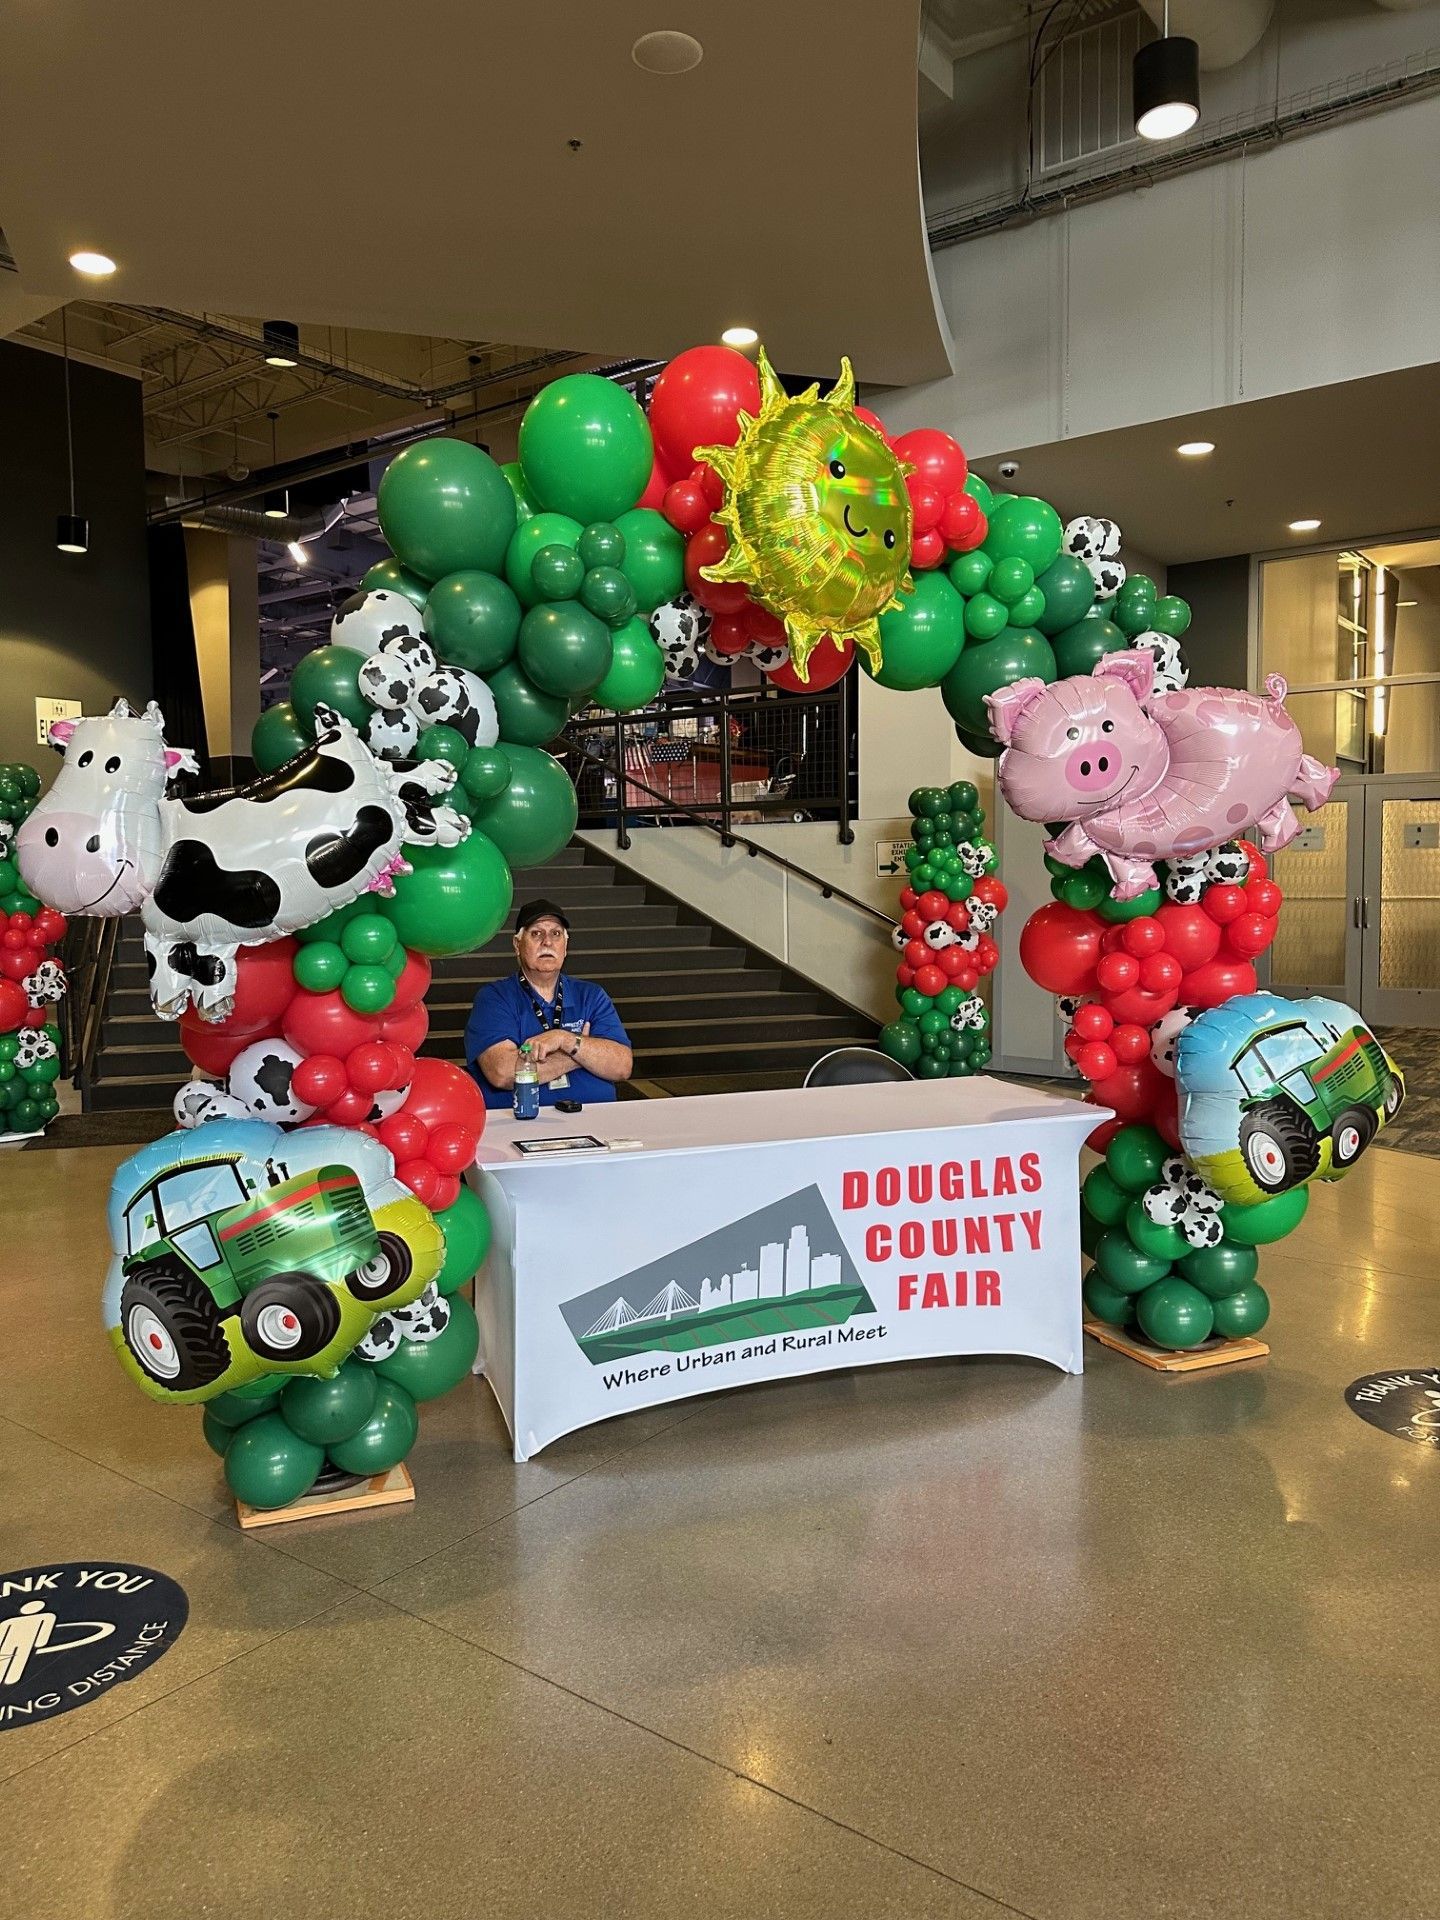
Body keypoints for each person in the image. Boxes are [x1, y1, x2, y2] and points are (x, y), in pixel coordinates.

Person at [465, 898, 634, 1110]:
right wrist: (581, 1052)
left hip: (596, 1116)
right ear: (517, 945)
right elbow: (503, 1073)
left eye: (556, 933)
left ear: (565, 946)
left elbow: (622, 1066)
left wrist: (564, 1039)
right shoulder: (494, 998)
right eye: (536, 933)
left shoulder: (592, 995)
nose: (547, 942)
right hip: (522, 1120)